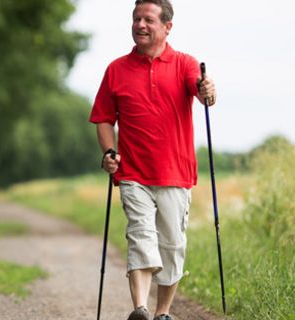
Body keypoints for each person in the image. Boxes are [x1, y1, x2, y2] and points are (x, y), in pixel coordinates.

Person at [89, 0, 216, 319]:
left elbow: (203, 95)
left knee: (172, 245)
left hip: (176, 172)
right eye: (136, 19)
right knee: (140, 236)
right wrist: (108, 152)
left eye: (148, 19)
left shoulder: (185, 64)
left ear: (167, 27)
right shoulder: (116, 69)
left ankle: (162, 313)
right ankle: (140, 310)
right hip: (132, 172)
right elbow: (104, 118)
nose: (140, 25)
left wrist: (208, 91)